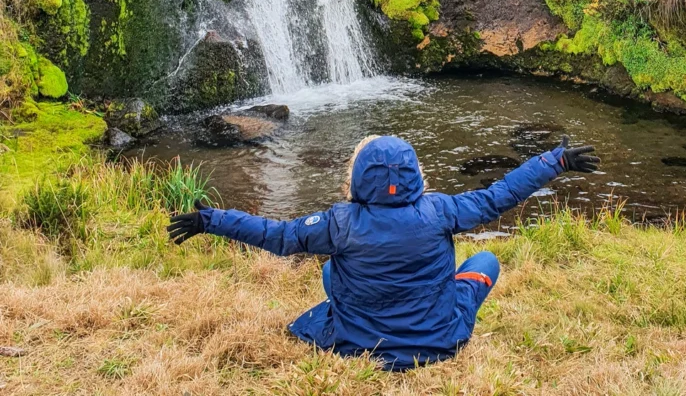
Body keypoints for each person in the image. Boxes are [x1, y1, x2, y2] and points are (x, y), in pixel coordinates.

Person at [167, 134, 600, 371]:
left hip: (362, 342)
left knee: (330, 273)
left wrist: (212, 220)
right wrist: (554, 162)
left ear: (358, 179)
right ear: (415, 175)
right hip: (437, 340)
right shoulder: (442, 210)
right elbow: (498, 195)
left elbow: (278, 236)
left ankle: (362, 316)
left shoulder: (339, 222)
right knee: (487, 261)